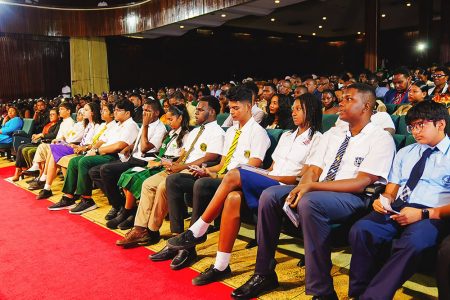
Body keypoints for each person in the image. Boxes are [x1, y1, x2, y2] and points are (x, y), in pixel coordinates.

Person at [231, 83, 395, 299]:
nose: (341, 103)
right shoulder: (333, 134)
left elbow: (361, 182)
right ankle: (264, 273)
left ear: (365, 107)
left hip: (353, 197)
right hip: (320, 190)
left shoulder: (380, 138)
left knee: (311, 201)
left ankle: (322, 291)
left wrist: (310, 187)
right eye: (342, 98)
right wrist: (302, 186)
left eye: (348, 99)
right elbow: (314, 169)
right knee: (270, 195)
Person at [167, 93, 323, 286]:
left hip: (284, 187)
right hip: (270, 179)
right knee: (233, 197)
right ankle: (221, 266)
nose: (293, 112)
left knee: (235, 173)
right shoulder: (287, 136)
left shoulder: (318, 139)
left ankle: (199, 228)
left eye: (298, 108)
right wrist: (261, 175)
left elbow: (301, 178)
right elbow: (271, 168)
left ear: (312, 111)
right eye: (293, 108)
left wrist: (266, 176)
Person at [154, 85, 270, 271]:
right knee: (174, 180)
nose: (231, 112)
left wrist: (217, 175)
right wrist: (207, 170)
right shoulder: (231, 131)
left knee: (202, 184)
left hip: (239, 182)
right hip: (221, 177)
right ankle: (177, 241)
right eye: (230, 108)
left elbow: (252, 167)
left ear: (249, 106)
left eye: (236, 108)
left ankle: (189, 246)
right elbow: (222, 163)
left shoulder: (258, 133)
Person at [348, 101, 449, 299]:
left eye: (421, 125)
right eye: (412, 127)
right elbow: (391, 190)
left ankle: (374, 297)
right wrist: (383, 199)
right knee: (362, 229)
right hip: (398, 208)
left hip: (432, 213)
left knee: (413, 242)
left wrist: (422, 213)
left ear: (441, 124)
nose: (415, 131)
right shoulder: (406, 153)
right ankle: (358, 292)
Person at [115, 96, 224, 246]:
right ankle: (139, 228)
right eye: (196, 109)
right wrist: (176, 164)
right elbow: (185, 154)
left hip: (194, 170)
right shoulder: (195, 132)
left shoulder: (218, 132)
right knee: (147, 184)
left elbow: (211, 156)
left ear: (211, 111)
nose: (196, 113)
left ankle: (152, 231)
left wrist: (183, 166)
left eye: (200, 109)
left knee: (163, 186)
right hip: (182, 167)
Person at [47, 100, 139, 214]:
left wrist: (97, 151)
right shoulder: (117, 125)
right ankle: (69, 197)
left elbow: (118, 146)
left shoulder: (130, 126)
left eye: (118, 110)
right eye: (114, 110)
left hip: (116, 156)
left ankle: (87, 200)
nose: (115, 112)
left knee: (84, 162)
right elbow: (102, 140)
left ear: (128, 113)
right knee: (74, 161)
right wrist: (92, 149)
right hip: (105, 152)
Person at [106, 104, 188, 229]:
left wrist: (162, 162)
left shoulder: (186, 135)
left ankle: (129, 212)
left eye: (171, 119)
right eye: (167, 120)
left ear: (180, 118)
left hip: (167, 165)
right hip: (158, 162)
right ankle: (130, 210)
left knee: (136, 178)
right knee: (127, 174)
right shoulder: (171, 133)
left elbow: (180, 158)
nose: (168, 122)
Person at [88, 99, 166, 225]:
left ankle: (127, 209)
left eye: (148, 111)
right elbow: (138, 142)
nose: (144, 113)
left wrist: (145, 125)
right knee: (94, 172)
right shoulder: (146, 123)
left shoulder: (159, 128)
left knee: (106, 170)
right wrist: (130, 147)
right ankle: (118, 204)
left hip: (144, 161)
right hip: (132, 158)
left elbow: (145, 147)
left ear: (157, 113)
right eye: (144, 110)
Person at [36, 102, 102, 199]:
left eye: (86, 110)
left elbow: (92, 143)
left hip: (84, 149)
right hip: (78, 147)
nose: (83, 112)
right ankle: (47, 186)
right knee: (54, 150)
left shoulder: (96, 125)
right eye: (81, 111)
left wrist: (79, 146)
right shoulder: (88, 125)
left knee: (55, 151)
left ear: (93, 112)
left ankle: (47, 185)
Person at [11, 108, 60, 181]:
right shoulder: (48, 123)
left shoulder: (58, 124)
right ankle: (19, 171)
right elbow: (40, 130)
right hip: (40, 142)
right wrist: (36, 135)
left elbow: (53, 135)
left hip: (46, 143)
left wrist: (40, 135)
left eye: (53, 114)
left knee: (28, 151)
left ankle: (35, 174)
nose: (51, 116)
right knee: (21, 147)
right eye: (50, 115)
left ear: (58, 116)